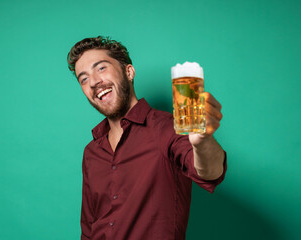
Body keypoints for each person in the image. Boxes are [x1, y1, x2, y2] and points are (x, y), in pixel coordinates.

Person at [67, 36, 227, 240]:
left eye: (101, 68)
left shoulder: (166, 128)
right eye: (84, 79)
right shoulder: (92, 152)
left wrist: (202, 141)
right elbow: (89, 229)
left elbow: (210, 173)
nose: (94, 82)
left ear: (129, 72)